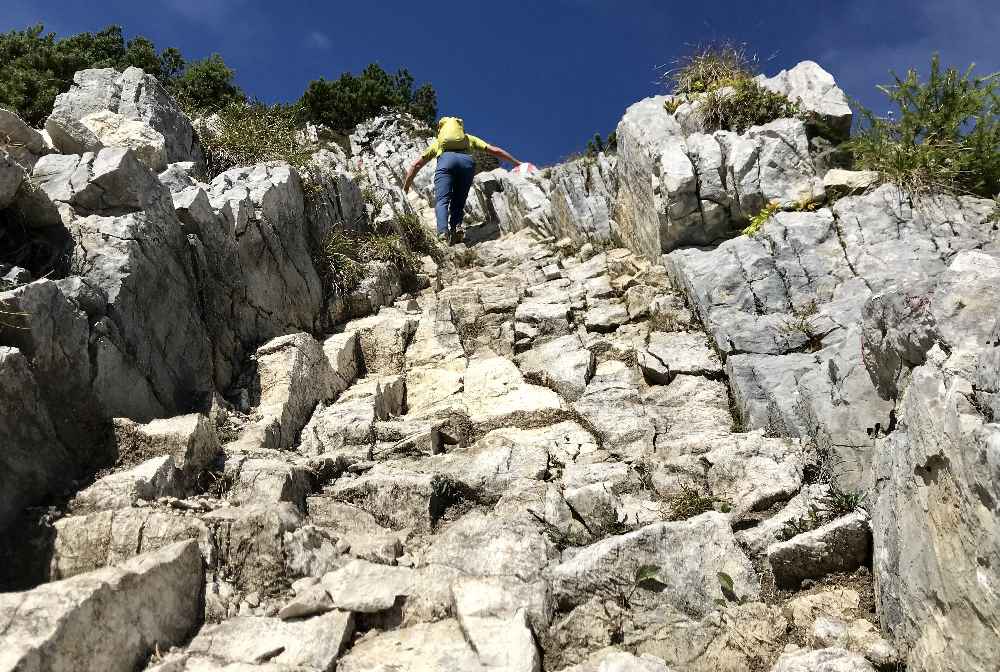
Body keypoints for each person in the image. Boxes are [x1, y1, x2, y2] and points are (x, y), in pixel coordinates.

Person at [403, 117, 522, 244]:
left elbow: (416, 165)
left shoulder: (439, 142)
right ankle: (456, 227)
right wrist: (517, 163)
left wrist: (406, 187)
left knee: (442, 200)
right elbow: (495, 150)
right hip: (467, 164)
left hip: (446, 161)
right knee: (458, 201)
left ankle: (443, 233)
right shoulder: (468, 138)